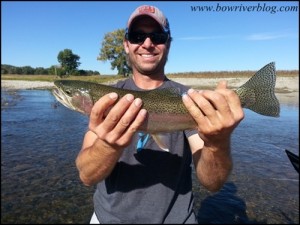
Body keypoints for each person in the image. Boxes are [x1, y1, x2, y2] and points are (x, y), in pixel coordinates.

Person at [75, 5, 244, 224]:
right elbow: (87, 176)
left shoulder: (189, 100)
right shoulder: (107, 99)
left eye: (157, 36)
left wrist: (218, 143)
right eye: (137, 36)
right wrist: (109, 146)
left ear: (168, 44)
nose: (147, 43)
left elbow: (212, 183)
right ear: (126, 45)